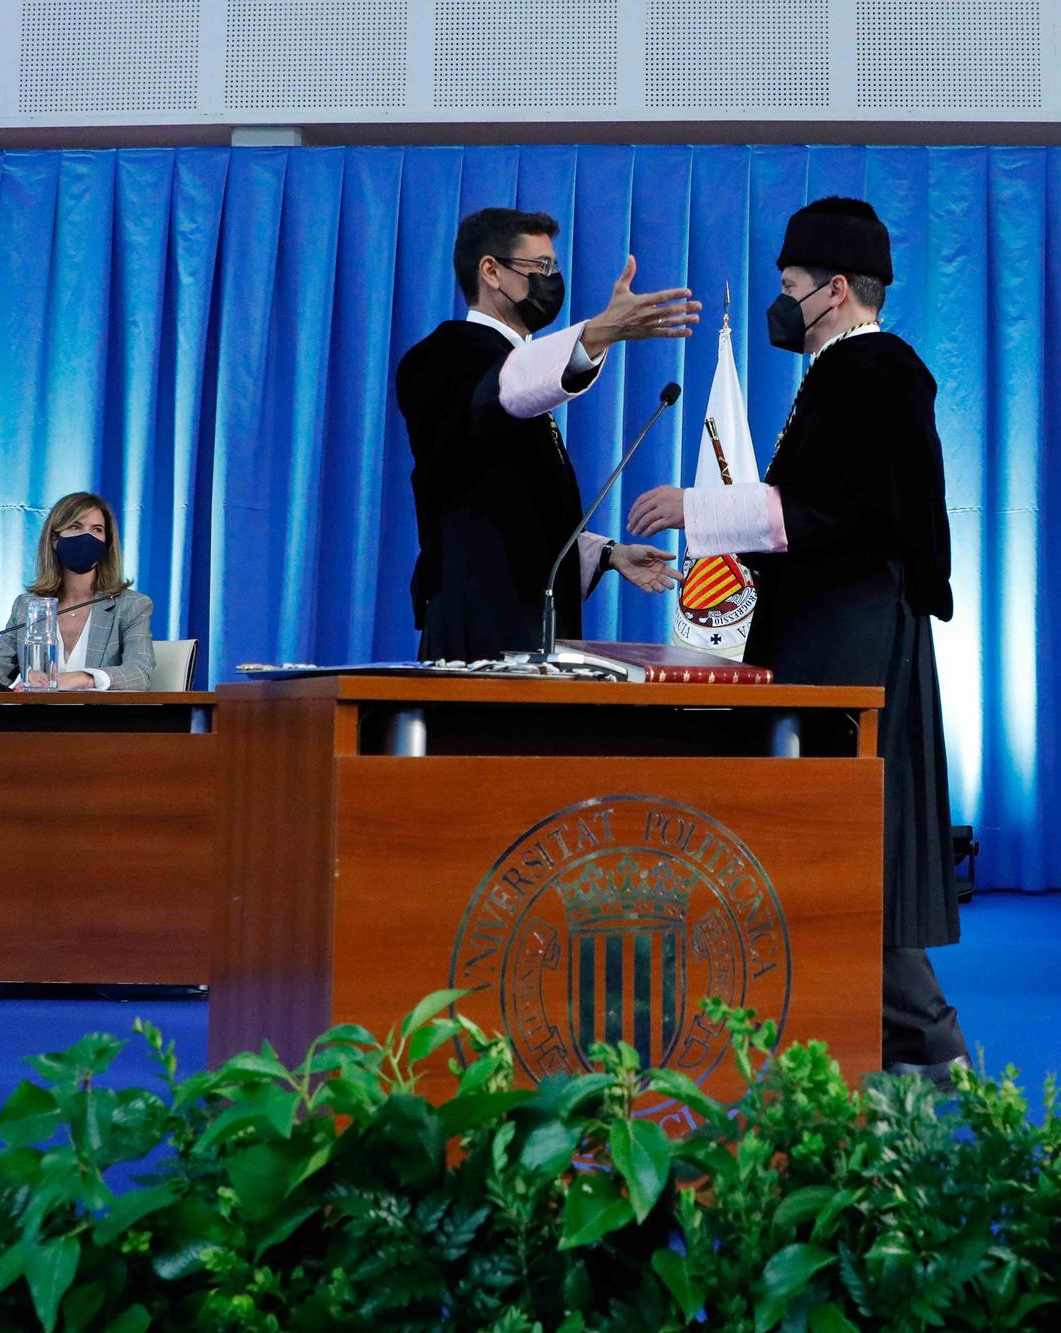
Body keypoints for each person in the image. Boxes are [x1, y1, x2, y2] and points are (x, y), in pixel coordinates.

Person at [625, 197, 967, 1081]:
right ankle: (886, 1047)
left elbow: (839, 509)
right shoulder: (844, 371)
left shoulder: (878, 368)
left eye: (790, 287)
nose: (782, 304)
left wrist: (696, 508)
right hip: (830, 625)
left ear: (838, 288)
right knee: (831, 838)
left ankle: (926, 1048)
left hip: (851, 634)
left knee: (839, 834)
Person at [397, 208, 700, 661]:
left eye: (555, 267)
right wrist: (597, 334)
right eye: (540, 267)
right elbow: (501, 390)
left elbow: (510, 508)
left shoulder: (520, 368)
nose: (552, 279)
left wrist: (608, 554)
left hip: (528, 620)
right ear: (491, 271)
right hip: (479, 622)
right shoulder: (443, 355)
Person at [0, 491, 154, 691]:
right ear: (55, 539)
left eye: (97, 529)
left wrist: (83, 678)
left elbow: (139, 674)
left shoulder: (131, 605)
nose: (87, 536)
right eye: (76, 526)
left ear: (106, 543)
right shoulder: (26, 606)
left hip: (100, 724)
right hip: (37, 723)